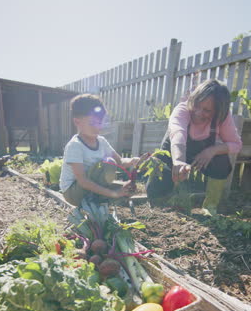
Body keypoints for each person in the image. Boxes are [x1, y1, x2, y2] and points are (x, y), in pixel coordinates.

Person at [146, 79, 242, 214]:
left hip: (200, 156)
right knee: (161, 172)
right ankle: (160, 203)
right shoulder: (182, 110)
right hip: (175, 149)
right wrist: (178, 161)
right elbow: (178, 134)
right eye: (196, 105)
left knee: (222, 160)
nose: (198, 112)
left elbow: (236, 145)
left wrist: (211, 151)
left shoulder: (223, 117)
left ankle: (210, 207)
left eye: (206, 110)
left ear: (217, 111)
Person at [59, 94, 139, 207]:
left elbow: (120, 162)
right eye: (92, 123)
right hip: (73, 193)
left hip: (91, 186)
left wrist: (132, 161)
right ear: (77, 122)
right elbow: (83, 181)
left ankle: (99, 200)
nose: (98, 127)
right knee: (109, 163)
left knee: (127, 190)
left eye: (100, 122)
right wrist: (113, 193)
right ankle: (96, 202)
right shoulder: (75, 146)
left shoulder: (101, 141)